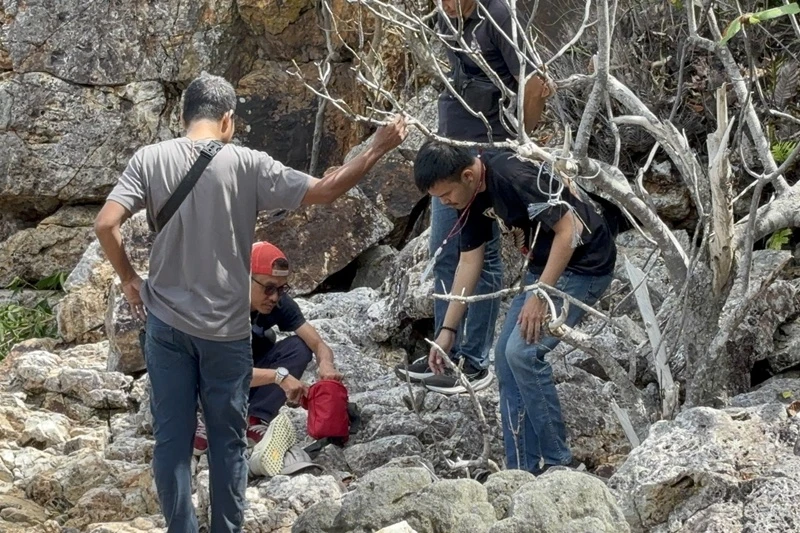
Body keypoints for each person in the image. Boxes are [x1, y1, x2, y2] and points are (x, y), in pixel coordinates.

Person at [94, 73, 407, 533]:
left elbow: (106, 224)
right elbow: (327, 189)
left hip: (166, 326)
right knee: (228, 443)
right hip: (225, 333)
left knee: (172, 442)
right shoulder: (248, 164)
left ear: (184, 117)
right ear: (228, 120)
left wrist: (128, 279)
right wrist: (377, 147)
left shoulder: (149, 159)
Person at [413, 139, 616, 474]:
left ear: (467, 175)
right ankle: (521, 470)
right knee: (505, 360)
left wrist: (540, 295)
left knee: (522, 354)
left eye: (445, 195)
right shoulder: (469, 193)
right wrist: (447, 331)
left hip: (584, 264)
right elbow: (469, 261)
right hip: (542, 265)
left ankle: (561, 463)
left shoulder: (512, 175)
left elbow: (571, 229)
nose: (445, 203)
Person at [395, 0, 554, 394]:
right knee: (445, 250)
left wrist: (520, 139)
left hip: (485, 151)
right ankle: (444, 352)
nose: (445, 4)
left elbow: (535, 81)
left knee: (480, 256)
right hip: (451, 148)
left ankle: (474, 361)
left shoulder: (497, 15)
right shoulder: (447, 17)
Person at [192, 241, 342, 460]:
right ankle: (202, 418)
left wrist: (326, 364)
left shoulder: (278, 302)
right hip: (209, 379)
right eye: (269, 288)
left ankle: (256, 419)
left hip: (245, 373)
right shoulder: (219, 306)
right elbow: (224, 371)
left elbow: (317, 343)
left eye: (281, 289)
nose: (274, 297)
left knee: (298, 347)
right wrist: (280, 377)